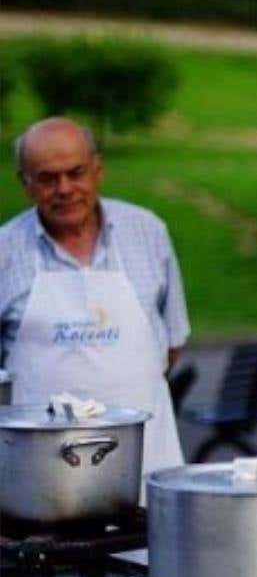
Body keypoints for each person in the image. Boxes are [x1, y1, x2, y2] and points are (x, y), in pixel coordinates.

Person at [0, 116, 189, 484]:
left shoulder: (147, 231)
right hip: (40, 475)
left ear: (98, 170)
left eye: (76, 172)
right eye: (47, 178)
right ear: (25, 184)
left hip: (147, 457)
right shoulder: (4, 250)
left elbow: (173, 343)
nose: (65, 188)